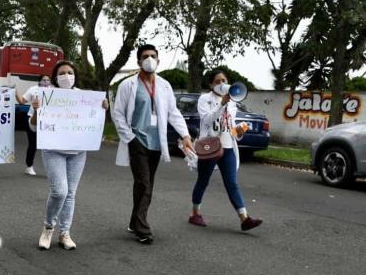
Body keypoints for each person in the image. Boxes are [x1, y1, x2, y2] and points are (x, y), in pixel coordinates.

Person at [112, 44, 193, 245]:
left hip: (157, 142)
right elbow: (118, 113)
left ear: (158, 60)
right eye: (145, 56)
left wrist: (185, 135)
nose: (149, 59)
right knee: (144, 182)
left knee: (146, 185)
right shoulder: (128, 85)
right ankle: (143, 228)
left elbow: (173, 112)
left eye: (153, 56)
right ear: (139, 61)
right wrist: (129, 137)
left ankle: (134, 222)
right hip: (136, 139)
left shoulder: (164, 85)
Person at [30, 61, 108, 251]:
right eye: (62, 73)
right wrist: (36, 112)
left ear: (75, 75)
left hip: (77, 152)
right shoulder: (46, 96)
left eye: (70, 72)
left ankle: (65, 233)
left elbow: (94, 124)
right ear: (55, 77)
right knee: (59, 191)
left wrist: (102, 109)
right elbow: (33, 126)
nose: (66, 76)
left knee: (71, 193)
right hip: (53, 150)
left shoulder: (84, 97)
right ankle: (48, 227)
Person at [189, 69, 262, 231]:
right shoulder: (205, 99)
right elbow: (207, 121)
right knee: (203, 180)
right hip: (209, 146)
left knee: (232, 183)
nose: (222, 84)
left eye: (224, 81)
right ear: (211, 84)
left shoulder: (232, 102)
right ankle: (195, 213)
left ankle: (244, 218)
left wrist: (239, 132)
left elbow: (229, 127)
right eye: (217, 81)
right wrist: (221, 104)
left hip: (227, 147)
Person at [16, 75, 51, 176]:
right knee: (33, 144)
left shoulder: (52, 91)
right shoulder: (33, 89)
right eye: (44, 80)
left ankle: (51, 170)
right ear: (39, 81)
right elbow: (21, 101)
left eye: (48, 80)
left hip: (47, 121)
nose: (46, 82)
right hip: (32, 119)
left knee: (49, 146)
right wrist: (15, 91)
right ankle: (29, 166)